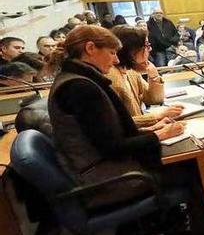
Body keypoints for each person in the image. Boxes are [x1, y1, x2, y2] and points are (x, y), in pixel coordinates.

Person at [46, 25, 185, 212]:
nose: (117, 59)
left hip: (103, 170)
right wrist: (159, 136)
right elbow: (113, 147)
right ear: (90, 49)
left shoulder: (76, 79)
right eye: (112, 53)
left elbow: (108, 135)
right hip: (109, 179)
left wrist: (154, 130)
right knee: (194, 170)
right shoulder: (81, 88)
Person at [108, 25, 182, 128]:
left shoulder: (130, 72)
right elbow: (118, 124)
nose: (150, 49)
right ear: (130, 50)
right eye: (146, 45)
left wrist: (154, 76)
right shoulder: (111, 79)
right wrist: (157, 116)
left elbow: (154, 99)